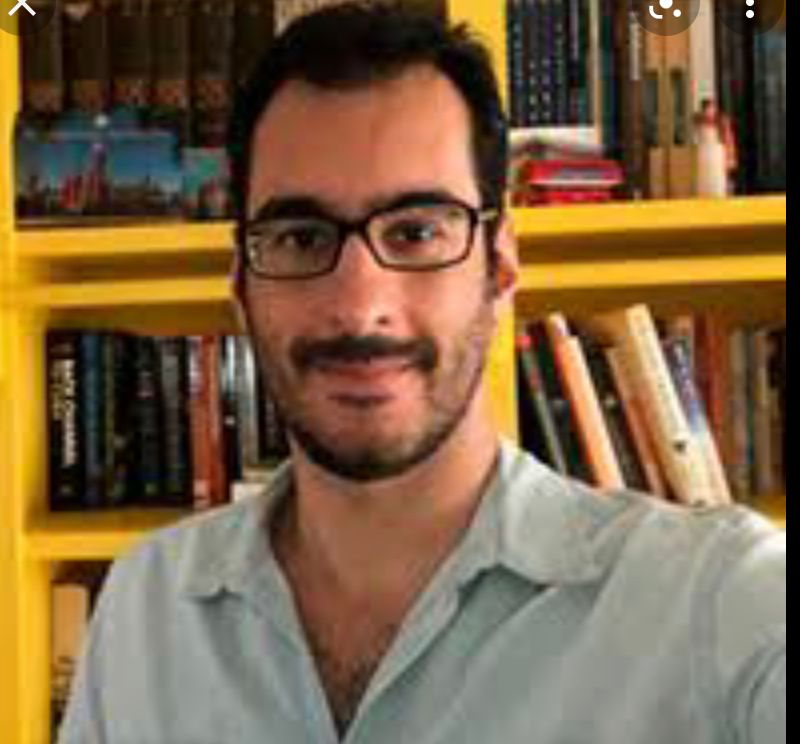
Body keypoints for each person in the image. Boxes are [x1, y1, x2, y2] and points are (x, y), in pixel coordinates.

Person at [59, 4, 786, 742]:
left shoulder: (719, 604)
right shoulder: (145, 611)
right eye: (301, 237)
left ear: (500, 267)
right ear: (241, 285)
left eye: (416, 231)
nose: (360, 305)